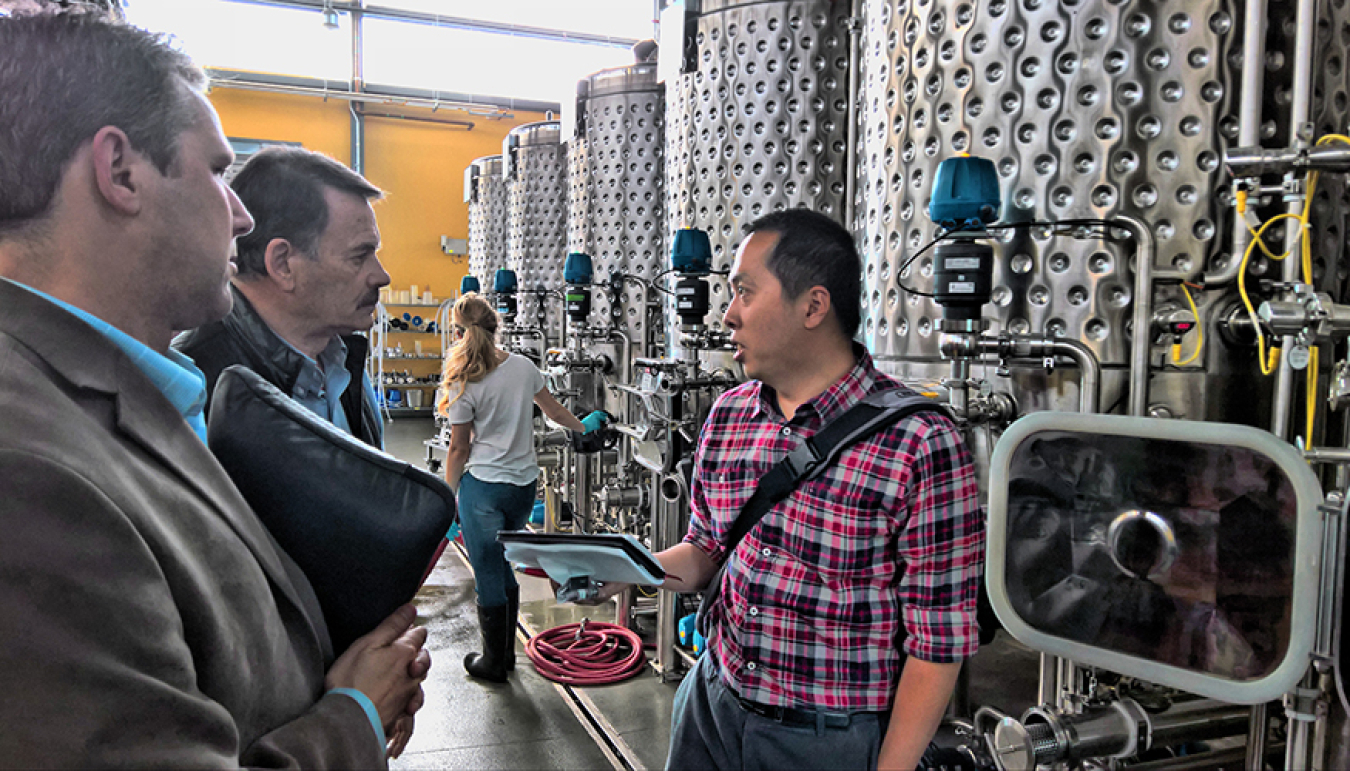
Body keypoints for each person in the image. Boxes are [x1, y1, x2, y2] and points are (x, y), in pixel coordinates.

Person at [0, 10, 427, 767]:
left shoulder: (134, 390)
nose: (239, 215)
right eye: (219, 172)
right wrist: (354, 715)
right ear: (120, 171)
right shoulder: (27, 471)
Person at [588, 210, 984, 771]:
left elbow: (937, 643)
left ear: (813, 306)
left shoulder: (919, 443)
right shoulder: (730, 415)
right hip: (711, 706)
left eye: (745, 293)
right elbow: (705, 550)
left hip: (826, 741)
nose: (727, 316)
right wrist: (626, 571)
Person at [438, 293, 609, 682]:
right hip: (522, 485)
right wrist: (585, 426)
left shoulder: (464, 377)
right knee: (504, 562)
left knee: (487, 570)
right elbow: (554, 412)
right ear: (495, 327)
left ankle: (493, 662)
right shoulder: (524, 367)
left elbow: (458, 447)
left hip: (483, 487)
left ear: (459, 332)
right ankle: (507, 655)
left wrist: (447, 499)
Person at [174, 145, 389, 448]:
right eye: (359, 256)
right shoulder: (194, 389)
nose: (381, 276)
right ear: (283, 264)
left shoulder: (342, 358)